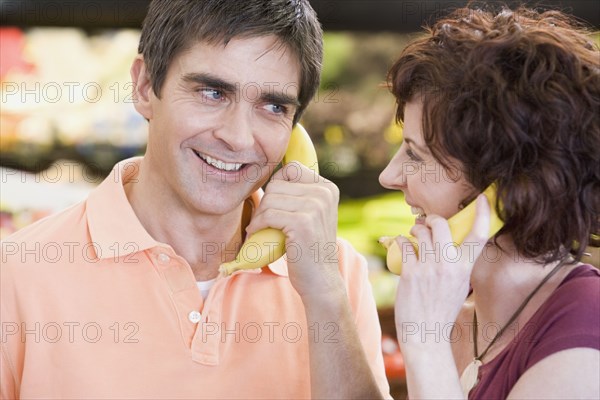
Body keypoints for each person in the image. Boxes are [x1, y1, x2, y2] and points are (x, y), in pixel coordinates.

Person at [0, 1, 389, 398]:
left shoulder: (336, 274)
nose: (238, 137)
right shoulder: (16, 274)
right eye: (212, 92)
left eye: (273, 106)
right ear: (145, 87)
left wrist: (325, 294)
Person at [379, 5, 600, 399]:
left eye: (415, 154)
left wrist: (425, 344)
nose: (388, 177)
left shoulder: (586, 329)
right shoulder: (460, 316)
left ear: (506, 185)